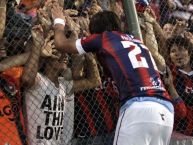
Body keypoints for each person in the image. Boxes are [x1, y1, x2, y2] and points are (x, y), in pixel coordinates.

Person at [51, 4, 174, 145]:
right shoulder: (136, 41)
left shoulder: (103, 38)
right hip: (166, 110)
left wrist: (59, 21)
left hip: (138, 107)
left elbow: (60, 44)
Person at [166, 35, 193, 136]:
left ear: (189, 52)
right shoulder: (170, 74)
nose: (177, 54)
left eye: (181, 49)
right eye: (173, 51)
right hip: (179, 132)